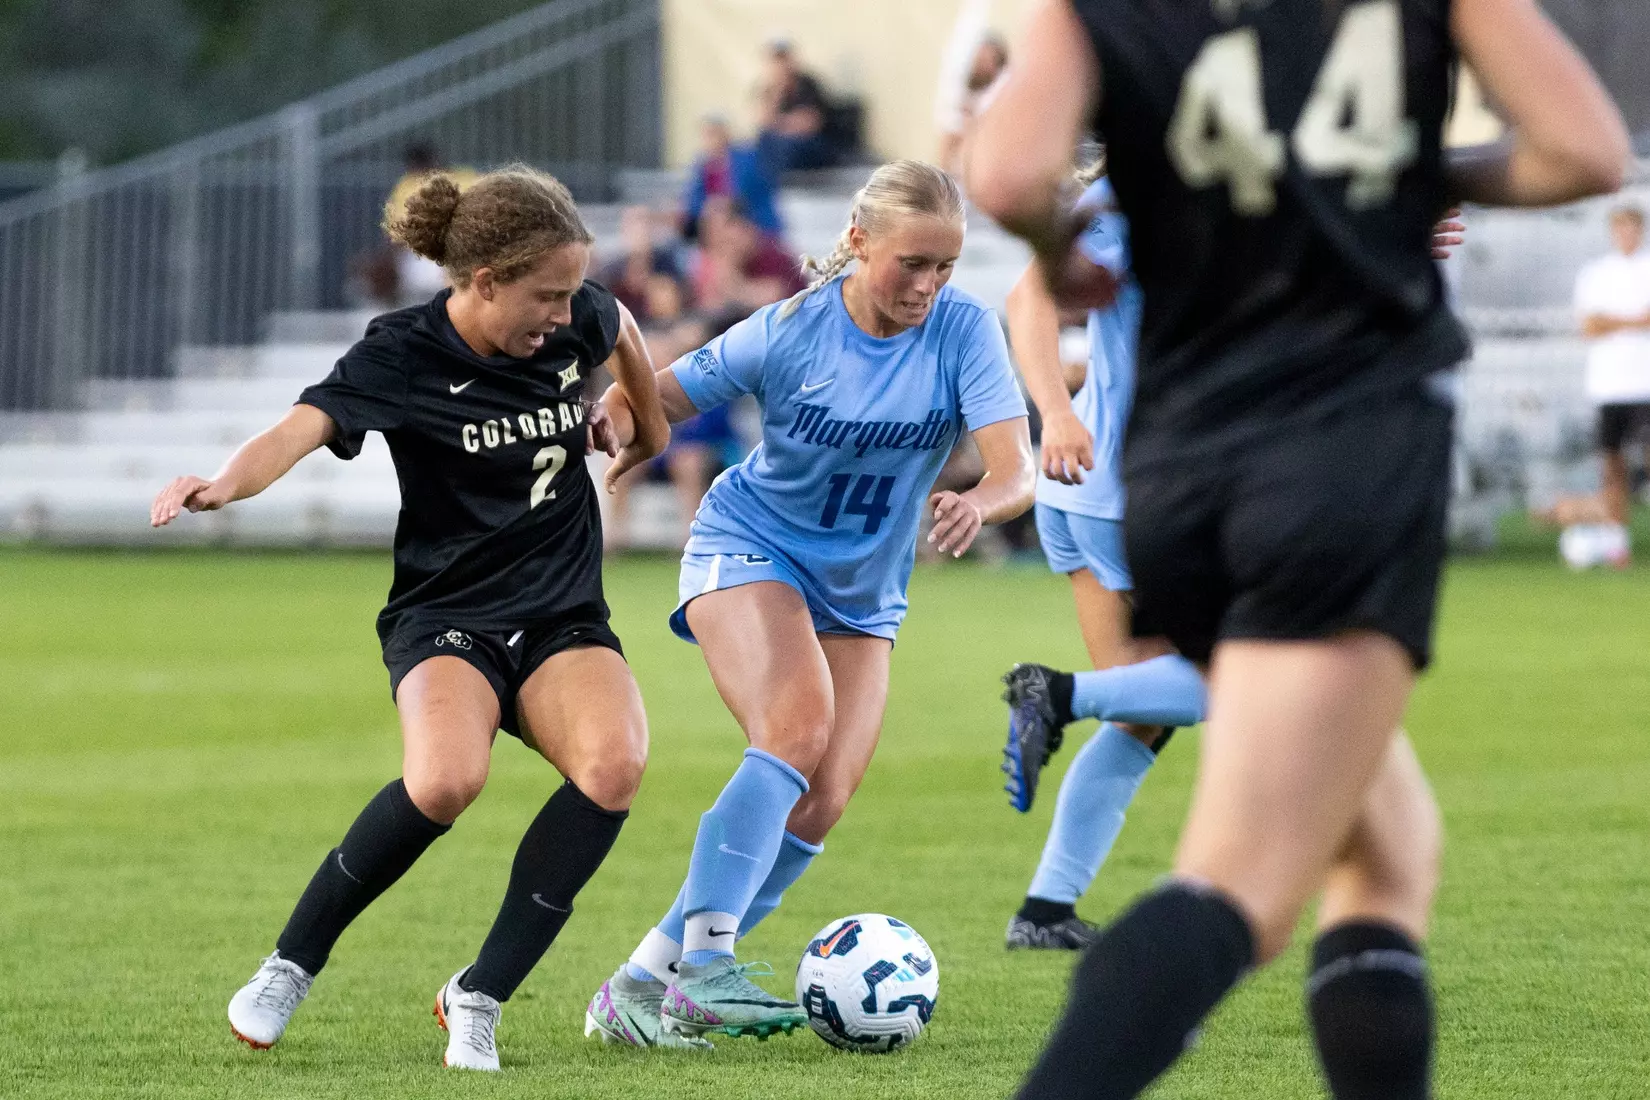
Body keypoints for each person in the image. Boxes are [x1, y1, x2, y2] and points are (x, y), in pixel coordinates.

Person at [966, 0, 1628, 1096]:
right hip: (1340, 448)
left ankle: (1065, 792)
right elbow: (1585, 148)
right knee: (1242, 884)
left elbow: (1003, 174)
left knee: (1390, 849)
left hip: (1180, 471)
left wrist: (1056, 250)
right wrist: (1421, 174)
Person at [151, 166, 671, 1072]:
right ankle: (290, 964)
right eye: (544, 294)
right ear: (481, 283)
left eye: (568, 290)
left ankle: (480, 996)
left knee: (615, 764)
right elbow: (301, 426)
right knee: (443, 783)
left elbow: (619, 324)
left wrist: (643, 424)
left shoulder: (578, 314)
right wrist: (221, 485)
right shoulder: (403, 352)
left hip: (560, 614)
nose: (562, 311)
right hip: (450, 614)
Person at [583, 160, 1035, 1048]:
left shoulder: (964, 332)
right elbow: (661, 394)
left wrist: (979, 502)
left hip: (863, 595)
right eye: (913, 263)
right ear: (860, 243)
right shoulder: (789, 329)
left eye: (945, 267)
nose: (928, 285)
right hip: (749, 547)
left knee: (822, 798)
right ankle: (710, 967)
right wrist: (617, 422)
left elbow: (1014, 466)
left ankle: (641, 986)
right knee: (795, 728)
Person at [995, 160, 1207, 951]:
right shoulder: (1141, 193)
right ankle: (1055, 694)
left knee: (1143, 710)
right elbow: (1029, 297)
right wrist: (1053, 413)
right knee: (1264, 677)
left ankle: (1045, 912)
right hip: (1141, 492)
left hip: (1090, 492)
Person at [1574, 204, 1650, 565]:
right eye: (1620, 228)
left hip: (1645, 381)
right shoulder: (1596, 273)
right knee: (1612, 464)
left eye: (1632, 228)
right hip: (1608, 384)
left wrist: (1611, 321)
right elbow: (1589, 327)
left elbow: (1603, 322)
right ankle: (1618, 543)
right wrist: (1636, 320)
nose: (1626, 235)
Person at [936, 0, 1011, 175]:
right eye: (978, 56)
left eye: (987, 59)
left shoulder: (1000, 96)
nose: (981, 62)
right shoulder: (957, 96)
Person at [682, 114, 784, 241]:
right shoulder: (702, 165)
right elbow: (694, 201)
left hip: (754, 227)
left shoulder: (747, 159)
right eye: (706, 134)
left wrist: (722, 203)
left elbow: (749, 193)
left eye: (714, 133)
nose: (710, 139)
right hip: (716, 231)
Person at [756, 40, 836, 173]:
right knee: (763, 141)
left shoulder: (808, 84)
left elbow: (809, 124)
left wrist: (779, 123)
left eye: (783, 59)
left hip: (809, 143)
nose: (780, 65)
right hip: (780, 142)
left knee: (787, 146)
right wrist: (778, 90)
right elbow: (763, 121)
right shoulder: (768, 88)